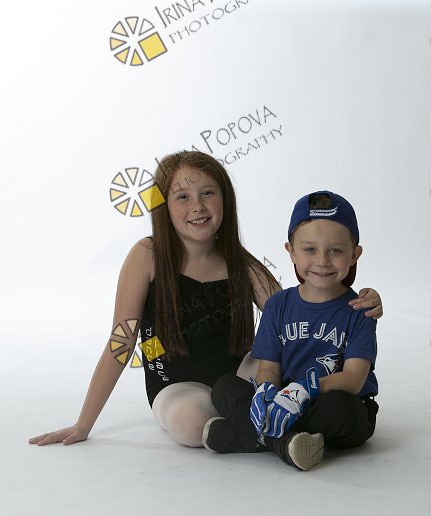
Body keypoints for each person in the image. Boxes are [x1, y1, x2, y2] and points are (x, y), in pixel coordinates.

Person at [29, 152, 383, 448]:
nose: (197, 206)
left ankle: (265, 429)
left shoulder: (240, 262)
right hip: (176, 383)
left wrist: (361, 301)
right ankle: (283, 437)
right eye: (182, 196)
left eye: (208, 193)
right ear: (163, 205)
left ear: (225, 199)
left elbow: (298, 311)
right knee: (191, 423)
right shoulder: (147, 255)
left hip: (238, 377)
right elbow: (121, 343)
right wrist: (84, 423)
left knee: (276, 376)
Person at [203, 190, 378, 470]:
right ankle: (289, 444)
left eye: (336, 250)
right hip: (285, 401)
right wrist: (265, 391)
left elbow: (354, 379)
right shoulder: (278, 306)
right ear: (291, 251)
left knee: (340, 408)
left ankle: (252, 438)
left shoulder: (360, 310)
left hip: (333, 404)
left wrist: (307, 388)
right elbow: (269, 368)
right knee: (224, 387)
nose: (322, 261)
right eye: (309, 250)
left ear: (354, 255)